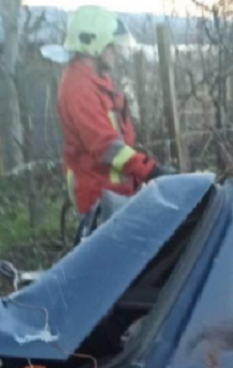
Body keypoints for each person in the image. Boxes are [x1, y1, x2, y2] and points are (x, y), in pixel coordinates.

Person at [58, 6, 168, 216]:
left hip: (113, 194)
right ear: (96, 46)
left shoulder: (96, 80)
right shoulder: (79, 88)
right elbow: (107, 147)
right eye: (111, 46)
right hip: (98, 198)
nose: (115, 52)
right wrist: (151, 170)